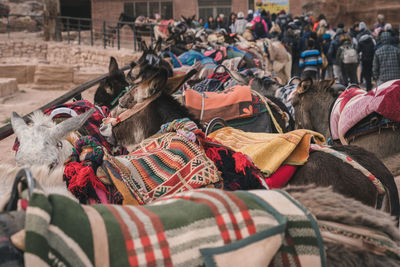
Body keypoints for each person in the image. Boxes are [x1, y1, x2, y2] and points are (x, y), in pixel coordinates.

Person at [357, 26, 375, 91]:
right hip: (371, 59)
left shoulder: (361, 41)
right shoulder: (371, 41)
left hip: (364, 60)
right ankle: (370, 86)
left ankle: (368, 87)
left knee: (366, 74)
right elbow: (374, 49)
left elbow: (358, 50)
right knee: (370, 73)